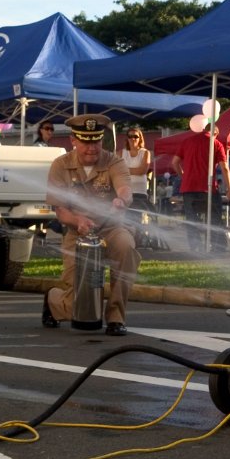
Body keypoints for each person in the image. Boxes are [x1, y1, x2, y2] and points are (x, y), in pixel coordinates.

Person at [42, 114, 139, 336]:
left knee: (126, 248)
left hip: (112, 227)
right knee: (78, 305)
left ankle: (116, 317)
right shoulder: (60, 165)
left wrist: (121, 200)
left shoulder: (114, 161)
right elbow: (60, 210)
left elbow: (125, 188)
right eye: (86, 142)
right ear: (73, 141)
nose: (92, 148)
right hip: (78, 232)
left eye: (96, 141)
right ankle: (53, 300)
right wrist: (78, 221)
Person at [172, 126, 230, 253]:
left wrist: (183, 176)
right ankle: (217, 247)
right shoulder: (216, 143)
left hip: (188, 187)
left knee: (191, 219)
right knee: (215, 218)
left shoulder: (187, 141)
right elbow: (225, 168)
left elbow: (174, 162)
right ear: (215, 133)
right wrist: (229, 188)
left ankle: (196, 248)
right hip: (208, 188)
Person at [120, 127, 151, 209]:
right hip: (124, 191)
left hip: (139, 191)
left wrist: (125, 170)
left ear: (140, 138)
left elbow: (142, 171)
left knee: (136, 217)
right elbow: (118, 171)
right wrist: (135, 170)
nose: (132, 139)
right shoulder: (120, 153)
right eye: (130, 136)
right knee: (124, 217)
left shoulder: (145, 152)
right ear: (127, 139)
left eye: (135, 136)